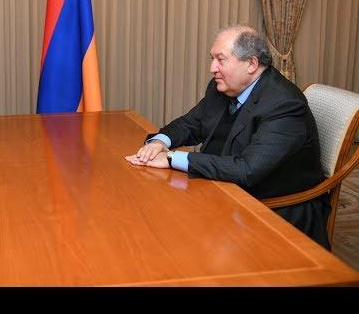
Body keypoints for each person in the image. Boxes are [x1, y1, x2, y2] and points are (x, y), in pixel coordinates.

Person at [125, 25, 330, 248]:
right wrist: (159, 142)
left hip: (275, 208)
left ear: (251, 64)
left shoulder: (284, 104)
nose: (213, 68)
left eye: (221, 60)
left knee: (174, 239)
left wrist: (172, 158)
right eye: (212, 59)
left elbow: (247, 170)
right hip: (223, 187)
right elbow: (191, 124)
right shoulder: (223, 87)